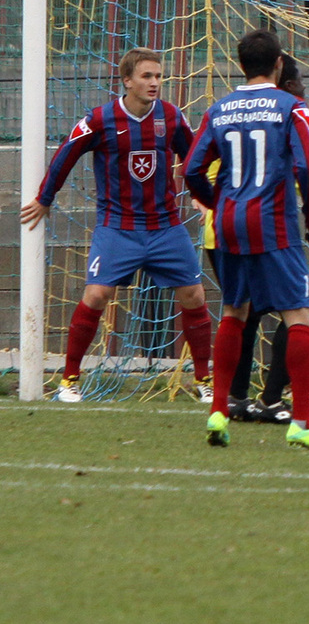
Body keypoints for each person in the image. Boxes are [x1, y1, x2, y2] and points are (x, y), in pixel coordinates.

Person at [21, 47, 213, 404]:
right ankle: (69, 381)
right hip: (117, 227)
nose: (154, 82)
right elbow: (65, 154)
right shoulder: (100, 119)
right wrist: (45, 198)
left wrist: (202, 196)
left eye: (158, 76)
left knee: (194, 295)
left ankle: (204, 381)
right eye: (146, 76)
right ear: (127, 80)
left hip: (165, 226)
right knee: (96, 295)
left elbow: (193, 158)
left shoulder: (171, 116)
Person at [184, 30, 309, 452]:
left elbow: (192, 169)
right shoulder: (292, 107)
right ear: (279, 63)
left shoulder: (218, 109)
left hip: (228, 224)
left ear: (240, 65)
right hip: (273, 223)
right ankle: (302, 422)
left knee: (235, 310)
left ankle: (219, 410)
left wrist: (217, 203)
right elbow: (308, 168)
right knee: (298, 315)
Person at [206, 56, 309, 424]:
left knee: (244, 314)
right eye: (299, 83)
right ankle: (269, 401)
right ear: (281, 76)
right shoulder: (285, 112)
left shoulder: (226, 111)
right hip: (260, 228)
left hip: (226, 228)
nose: (304, 90)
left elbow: (207, 169)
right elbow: (298, 169)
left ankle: (236, 400)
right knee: (290, 313)